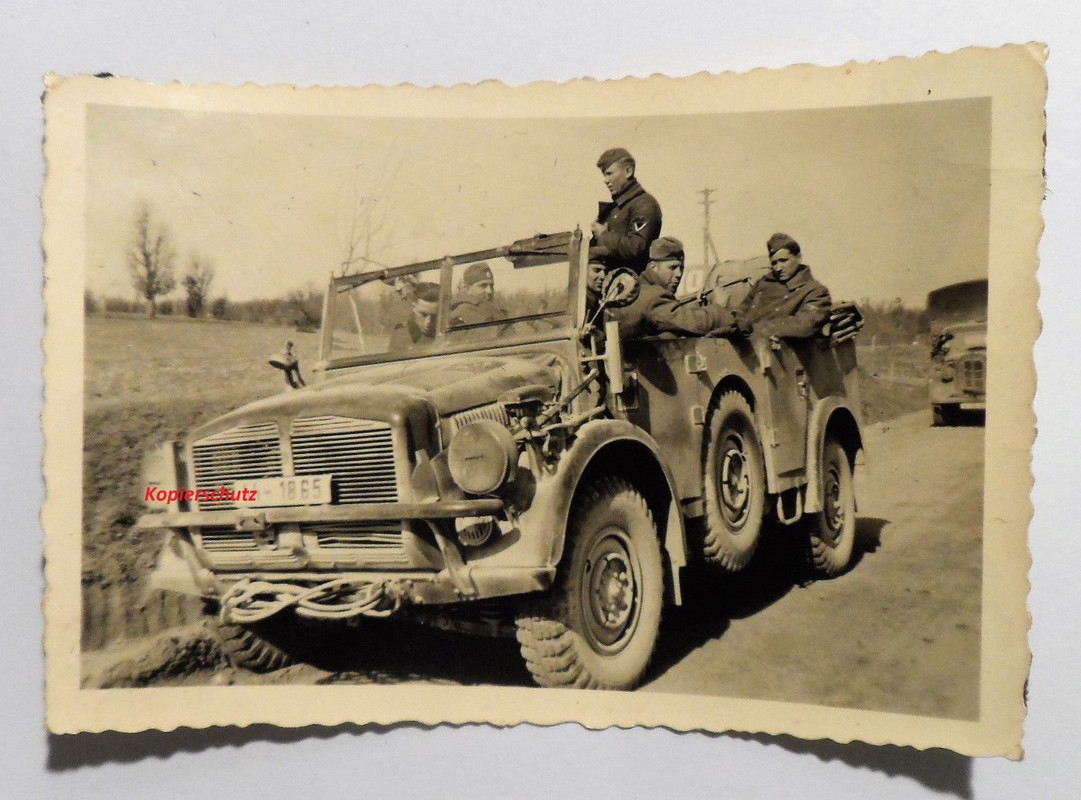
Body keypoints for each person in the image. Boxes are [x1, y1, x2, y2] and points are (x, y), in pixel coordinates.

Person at [611, 237, 735, 338]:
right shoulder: (654, 296)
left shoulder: (637, 290)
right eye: (672, 268)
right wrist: (718, 308)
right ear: (653, 267)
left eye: (681, 268)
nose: (679, 274)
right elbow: (692, 323)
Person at [733, 233, 832, 339]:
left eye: (783, 261)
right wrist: (738, 321)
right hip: (741, 336)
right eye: (774, 263)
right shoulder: (764, 282)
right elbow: (742, 308)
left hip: (766, 345)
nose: (778, 268)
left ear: (798, 258)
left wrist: (761, 328)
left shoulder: (816, 291)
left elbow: (803, 324)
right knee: (714, 314)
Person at [589, 148, 662, 274]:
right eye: (604, 175)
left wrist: (603, 235)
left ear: (628, 171)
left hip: (633, 285)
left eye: (609, 173)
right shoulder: (615, 209)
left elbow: (636, 248)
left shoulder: (644, 204)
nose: (606, 180)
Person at [450, 262, 506, 327]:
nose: (489, 291)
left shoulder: (494, 309)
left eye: (491, 286)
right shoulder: (463, 312)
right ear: (468, 289)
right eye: (483, 286)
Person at [388, 281, 441, 350]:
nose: (428, 321)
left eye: (434, 316)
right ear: (413, 307)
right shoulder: (401, 339)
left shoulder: (452, 335)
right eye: (423, 315)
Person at [583, 257, 608, 324]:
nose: (603, 276)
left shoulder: (600, 302)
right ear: (583, 271)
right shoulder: (578, 303)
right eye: (596, 270)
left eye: (605, 272)